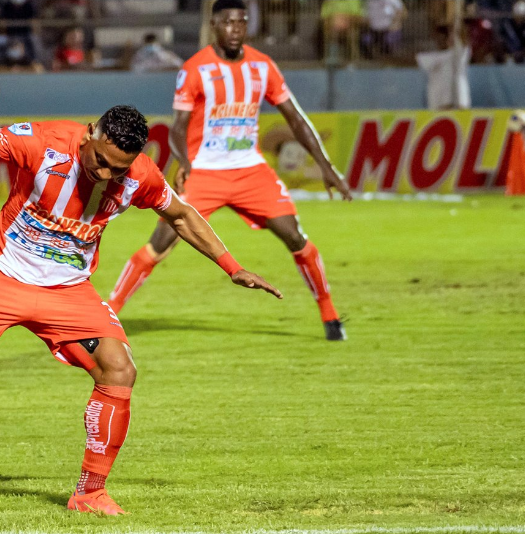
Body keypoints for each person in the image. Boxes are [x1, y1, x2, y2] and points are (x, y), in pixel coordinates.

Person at [0, 106, 283, 515]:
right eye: (101, 160)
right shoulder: (43, 142)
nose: (106, 173)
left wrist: (232, 267)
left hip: (68, 291)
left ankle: (90, 492)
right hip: (1, 272)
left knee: (119, 368)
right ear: (90, 133)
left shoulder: (140, 175)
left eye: (117, 168)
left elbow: (181, 215)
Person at [106, 0, 352, 341]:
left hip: (250, 170)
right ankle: (107, 314)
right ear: (215, 25)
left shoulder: (262, 66)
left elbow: (295, 118)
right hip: (206, 172)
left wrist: (326, 167)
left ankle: (330, 316)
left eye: (242, 22)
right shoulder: (195, 69)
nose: (236, 28)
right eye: (229, 22)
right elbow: (178, 127)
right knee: (160, 242)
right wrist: (186, 163)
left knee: (295, 236)